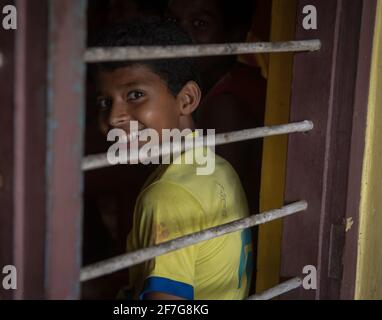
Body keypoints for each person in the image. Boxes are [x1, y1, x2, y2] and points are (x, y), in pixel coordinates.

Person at [92, 17, 253, 300]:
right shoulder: (216, 166)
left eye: (135, 94)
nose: (114, 117)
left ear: (187, 99)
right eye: (105, 102)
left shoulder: (167, 196)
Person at [167, 0, 266, 215]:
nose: (181, 36)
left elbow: (221, 202)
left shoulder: (226, 105)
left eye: (200, 23)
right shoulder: (212, 85)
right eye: (173, 21)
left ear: (236, 35)